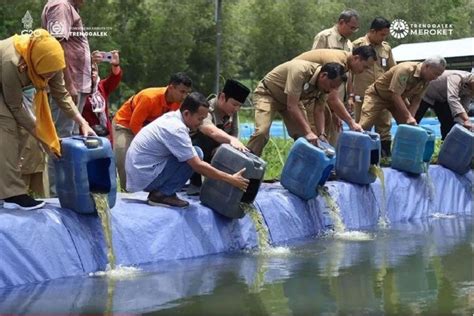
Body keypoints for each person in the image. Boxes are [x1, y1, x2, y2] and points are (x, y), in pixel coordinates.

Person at [0, 29, 95, 210]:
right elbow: (14, 107)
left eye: (52, 74)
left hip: (11, 94)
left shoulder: (52, 61)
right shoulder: (12, 61)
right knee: (7, 128)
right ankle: (13, 194)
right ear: (34, 63)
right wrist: (44, 137)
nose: (48, 78)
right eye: (45, 75)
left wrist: (83, 122)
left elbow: (62, 95)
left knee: (21, 133)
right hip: (6, 90)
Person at [125, 92, 249, 208]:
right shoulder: (176, 129)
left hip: (143, 171)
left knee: (193, 152)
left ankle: (165, 192)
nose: (201, 123)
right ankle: (162, 195)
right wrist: (230, 179)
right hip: (144, 177)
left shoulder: (173, 118)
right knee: (197, 155)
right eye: (200, 119)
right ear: (186, 114)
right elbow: (198, 166)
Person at [42, 0, 93, 196]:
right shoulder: (61, 5)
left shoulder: (70, 8)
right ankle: (57, 195)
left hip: (76, 85)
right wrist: (67, 82)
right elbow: (55, 46)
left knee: (70, 140)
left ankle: (68, 191)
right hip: (67, 87)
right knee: (61, 140)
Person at [246, 62, 347, 157]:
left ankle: (303, 170)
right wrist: (308, 132)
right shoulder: (300, 71)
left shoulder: (325, 88)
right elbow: (292, 106)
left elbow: (319, 110)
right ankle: (248, 162)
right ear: (323, 75)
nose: (330, 90)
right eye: (331, 86)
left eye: (335, 88)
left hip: (291, 100)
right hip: (268, 94)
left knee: (308, 139)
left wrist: (321, 134)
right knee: (262, 132)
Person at [113, 72, 192, 190]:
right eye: (182, 92)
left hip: (148, 128)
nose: (184, 96)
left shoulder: (178, 103)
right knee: (124, 157)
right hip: (126, 126)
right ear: (171, 88)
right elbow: (134, 124)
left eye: (187, 92)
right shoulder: (149, 97)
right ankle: (127, 191)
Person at [293, 46, 375, 144]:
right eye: (365, 67)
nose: (364, 71)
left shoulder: (346, 63)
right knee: (313, 133)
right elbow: (332, 99)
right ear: (356, 58)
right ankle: (311, 157)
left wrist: (334, 112)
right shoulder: (337, 63)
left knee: (328, 122)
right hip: (298, 90)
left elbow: (329, 96)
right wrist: (351, 123)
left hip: (312, 92)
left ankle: (325, 153)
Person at [359, 57, 447, 141]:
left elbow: (416, 101)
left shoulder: (427, 80)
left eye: (438, 75)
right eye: (435, 74)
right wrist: (408, 116)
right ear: (427, 66)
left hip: (398, 99)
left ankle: (394, 152)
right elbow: (395, 95)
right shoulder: (405, 69)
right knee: (365, 124)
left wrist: (410, 118)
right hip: (377, 95)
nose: (435, 78)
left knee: (408, 126)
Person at [188, 79, 250, 195]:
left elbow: (234, 133)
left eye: (239, 106)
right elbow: (208, 129)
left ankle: (222, 184)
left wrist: (231, 145)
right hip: (194, 151)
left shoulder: (232, 112)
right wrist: (230, 140)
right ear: (222, 97)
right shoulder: (207, 108)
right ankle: (195, 183)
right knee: (204, 139)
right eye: (234, 104)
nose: (236, 109)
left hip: (216, 149)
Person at [352, 17, 396, 156]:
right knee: (362, 126)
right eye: (382, 34)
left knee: (384, 126)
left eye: (386, 35)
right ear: (372, 31)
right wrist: (350, 95)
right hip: (362, 95)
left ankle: (385, 156)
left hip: (382, 94)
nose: (384, 37)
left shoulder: (386, 48)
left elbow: (392, 70)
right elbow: (350, 70)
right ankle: (361, 157)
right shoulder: (357, 45)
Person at [415, 70, 474, 139]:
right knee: (415, 119)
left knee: (448, 124)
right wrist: (466, 120)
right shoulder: (457, 77)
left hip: (441, 99)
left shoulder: (471, 89)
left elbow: (464, 107)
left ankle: (446, 145)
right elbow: (452, 98)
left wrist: (462, 122)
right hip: (426, 94)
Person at [81, 50, 122, 143]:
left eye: (94, 70)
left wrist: (115, 64)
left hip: (105, 135)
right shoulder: (78, 90)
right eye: (89, 70)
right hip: (86, 136)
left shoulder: (101, 86)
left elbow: (115, 77)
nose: (92, 73)